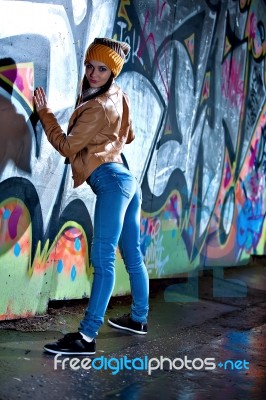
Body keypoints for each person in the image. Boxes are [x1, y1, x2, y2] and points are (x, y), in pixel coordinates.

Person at [33, 38, 149, 355]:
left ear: (112, 72)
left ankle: (85, 337)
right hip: (127, 180)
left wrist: (44, 113)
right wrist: (105, 138)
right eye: (89, 66)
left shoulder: (96, 106)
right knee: (133, 255)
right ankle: (139, 319)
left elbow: (68, 147)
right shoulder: (118, 97)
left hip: (111, 182)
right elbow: (130, 134)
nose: (93, 73)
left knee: (103, 259)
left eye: (101, 69)